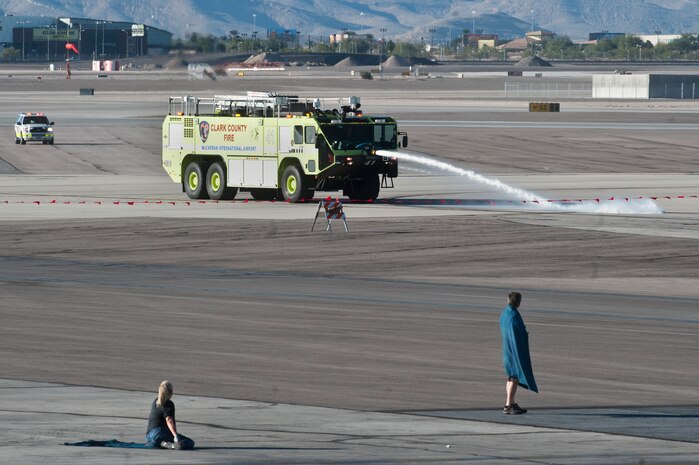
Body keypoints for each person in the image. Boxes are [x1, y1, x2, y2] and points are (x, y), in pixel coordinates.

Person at [500, 292, 538, 415]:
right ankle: (508, 405)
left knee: (511, 376)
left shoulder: (505, 313)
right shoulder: (514, 315)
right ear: (519, 302)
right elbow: (518, 332)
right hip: (514, 350)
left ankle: (510, 402)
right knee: (514, 377)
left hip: (507, 348)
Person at [145, 380, 195, 450]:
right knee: (189, 442)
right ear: (171, 393)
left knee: (160, 438)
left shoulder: (155, 401)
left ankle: (164, 444)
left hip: (148, 437)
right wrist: (175, 436)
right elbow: (169, 420)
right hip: (159, 434)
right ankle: (173, 445)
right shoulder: (168, 404)